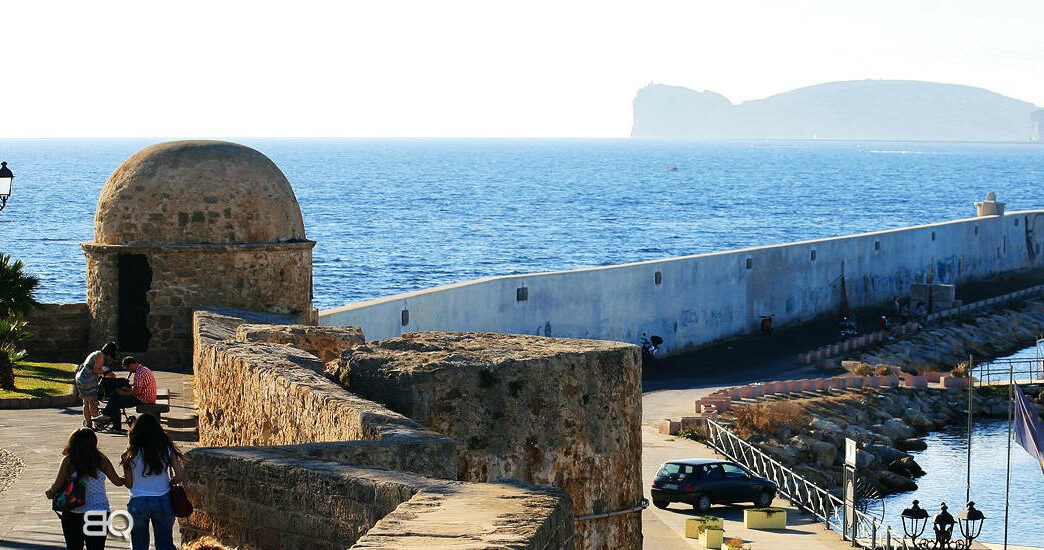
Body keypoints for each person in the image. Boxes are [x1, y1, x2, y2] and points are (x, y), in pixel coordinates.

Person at [45, 428, 125, 550]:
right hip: (98, 512)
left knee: (74, 547)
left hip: (72, 512)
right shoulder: (101, 460)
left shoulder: (68, 461)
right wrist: (128, 475)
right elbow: (117, 482)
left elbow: (57, 484)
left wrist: (50, 493)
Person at [121, 414, 184, 550]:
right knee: (165, 543)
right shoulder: (166, 450)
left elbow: (130, 483)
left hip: (138, 501)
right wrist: (171, 482)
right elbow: (180, 474)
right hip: (163, 500)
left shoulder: (130, 453)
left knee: (139, 545)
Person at [98, 357, 156, 435]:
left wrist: (123, 393)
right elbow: (140, 388)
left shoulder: (139, 373)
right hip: (147, 396)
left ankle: (113, 423)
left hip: (144, 399)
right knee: (115, 395)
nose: (129, 370)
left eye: (128, 368)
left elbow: (137, 392)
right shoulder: (144, 369)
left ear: (131, 364)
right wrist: (127, 389)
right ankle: (107, 413)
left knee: (116, 402)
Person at [75, 342, 119, 430]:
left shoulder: (95, 353)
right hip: (88, 380)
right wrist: (108, 373)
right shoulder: (100, 355)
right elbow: (96, 370)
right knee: (93, 403)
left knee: (86, 402)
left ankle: (89, 424)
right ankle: (98, 424)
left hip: (81, 378)